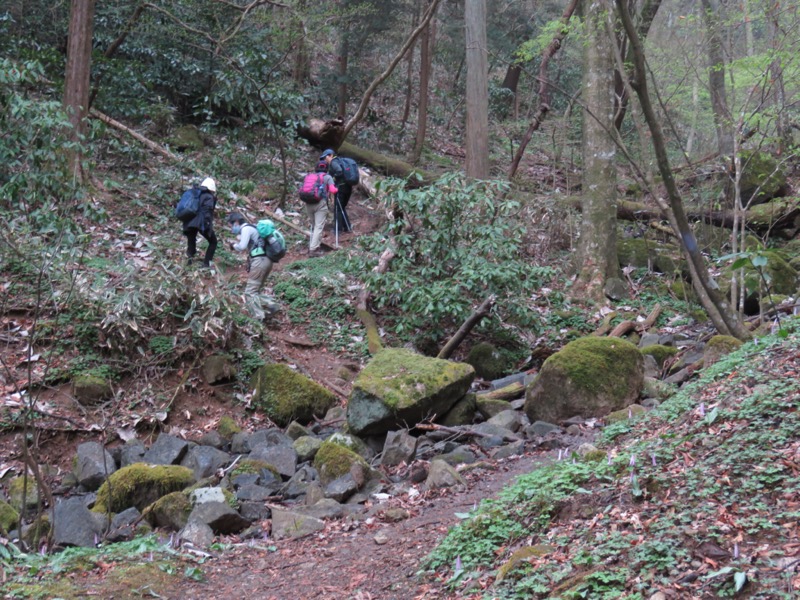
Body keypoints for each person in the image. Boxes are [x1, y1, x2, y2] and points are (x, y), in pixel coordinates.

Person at [227, 212, 281, 321]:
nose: (231, 229)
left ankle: (259, 318)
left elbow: (242, 246)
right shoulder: (254, 227)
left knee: (250, 292)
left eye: (231, 225)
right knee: (256, 290)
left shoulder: (246, 229)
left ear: (236, 222)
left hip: (259, 262)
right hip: (267, 261)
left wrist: (233, 245)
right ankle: (270, 305)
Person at [304, 161, 338, 256]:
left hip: (308, 203)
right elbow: (332, 190)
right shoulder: (327, 177)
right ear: (327, 169)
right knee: (319, 227)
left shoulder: (311, 177)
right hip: (320, 204)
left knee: (314, 226)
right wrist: (337, 189)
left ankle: (315, 245)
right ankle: (313, 249)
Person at [184, 177, 218, 268]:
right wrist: (207, 224)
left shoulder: (195, 193)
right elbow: (207, 210)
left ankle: (188, 263)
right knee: (213, 242)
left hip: (189, 221)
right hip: (200, 222)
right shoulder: (209, 196)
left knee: (191, 240)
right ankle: (206, 264)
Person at [321, 149, 353, 233]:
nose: (325, 160)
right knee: (341, 207)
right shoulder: (339, 161)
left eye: (325, 157)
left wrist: (333, 178)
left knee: (337, 208)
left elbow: (339, 171)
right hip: (348, 187)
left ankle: (338, 230)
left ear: (331, 155)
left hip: (341, 188)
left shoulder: (334, 162)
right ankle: (347, 227)